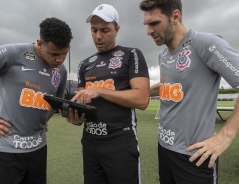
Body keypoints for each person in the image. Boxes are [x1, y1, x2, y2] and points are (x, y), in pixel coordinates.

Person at [0, 17, 73, 184]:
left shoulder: (61, 71)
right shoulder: (11, 53)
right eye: (55, 54)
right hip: (4, 151)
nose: (60, 59)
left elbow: (55, 103)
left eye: (65, 53)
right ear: (40, 44)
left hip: (38, 150)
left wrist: (42, 119)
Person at [139, 0, 239, 183]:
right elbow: (168, 86)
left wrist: (225, 136)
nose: (148, 31)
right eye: (147, 24)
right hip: (165, 148)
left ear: (175, 16)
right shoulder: (163, 54)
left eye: (154, 23)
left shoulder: (205, 43)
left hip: (195, 156)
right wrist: (135, 91)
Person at [67, 4, 150, 184]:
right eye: (94, 30)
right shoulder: (84, 64)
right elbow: (83, 101)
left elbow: (142, 99)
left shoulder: (131, 54)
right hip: (90, 142)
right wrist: (76, 116)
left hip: (120, 141)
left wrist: (100, 90)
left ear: (117, 29)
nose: (98, 36)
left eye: (104, 30)